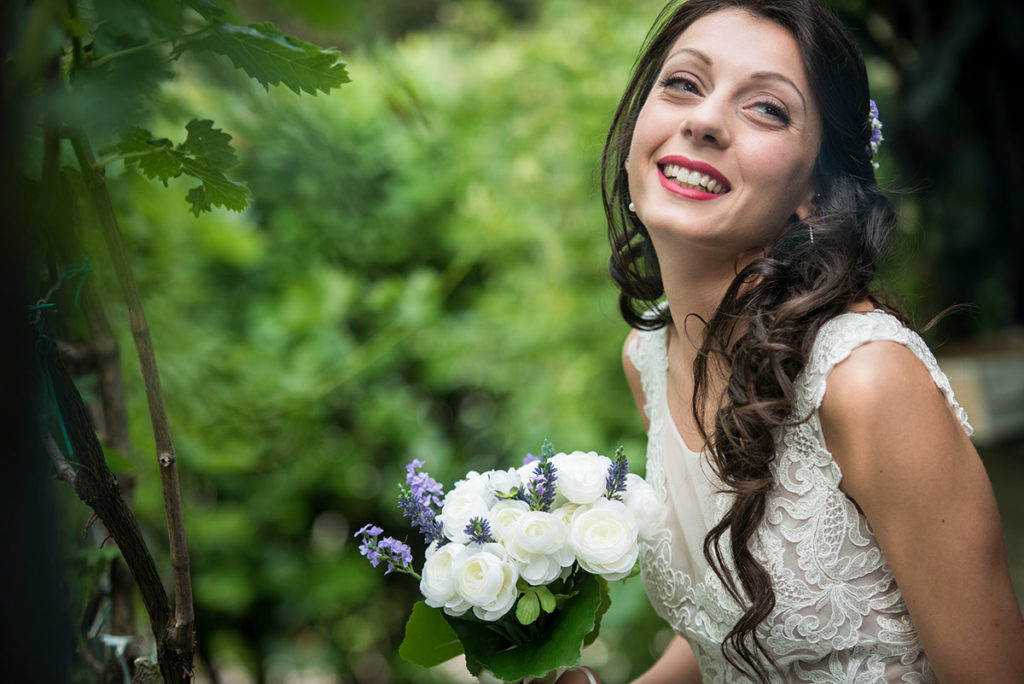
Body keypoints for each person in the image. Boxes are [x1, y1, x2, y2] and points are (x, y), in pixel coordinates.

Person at [557, 0, 1024, 681]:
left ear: (815, 189)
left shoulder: (865, 383)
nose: (705, 120)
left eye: (767, 109)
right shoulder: (649, 359)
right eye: (683, 84)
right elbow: (733, 624)